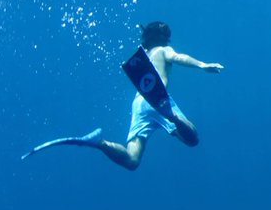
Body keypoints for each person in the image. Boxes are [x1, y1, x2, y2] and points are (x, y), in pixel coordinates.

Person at [23, 21, 223, 170]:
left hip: (139, 103)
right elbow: (179, 57)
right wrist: (202, 65)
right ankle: (171, 116)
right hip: (158, 100)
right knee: (193, 139)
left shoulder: (145, 56)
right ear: (162, 38)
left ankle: (99, 143)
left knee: (132, 160)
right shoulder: (163, 50)